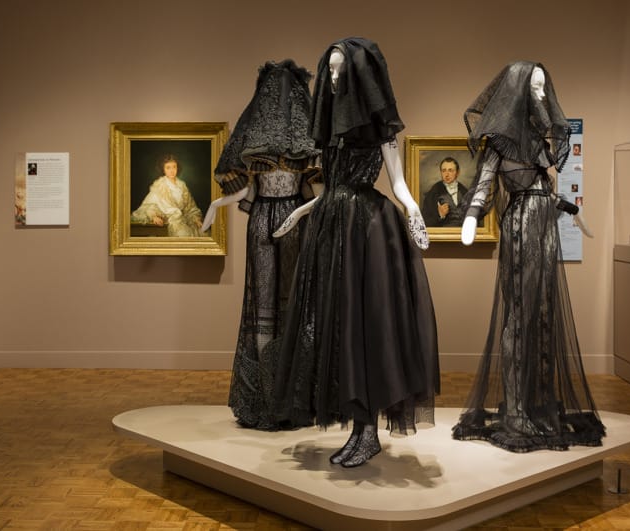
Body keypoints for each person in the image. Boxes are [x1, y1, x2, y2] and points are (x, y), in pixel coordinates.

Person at [269, 38, 440, 468]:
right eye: (328, 69)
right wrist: (301, 213)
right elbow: (332, 189)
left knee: (368, 326)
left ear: (359, 74)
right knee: (337, 326)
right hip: (330, 227)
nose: (332, 77)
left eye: (339, 69)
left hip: (368, 228)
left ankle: (368, 433)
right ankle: (358, 430)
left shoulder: (379, 128)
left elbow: (397, 183)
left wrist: (414, 212)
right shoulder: (329, 130)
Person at [453, 61, 605, 452]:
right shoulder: (500, 142)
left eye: (543, 88)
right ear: (519, 91)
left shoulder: (539, 142)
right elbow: (485, 185)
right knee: (519, 316)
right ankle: (517, 409)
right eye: (534, 88)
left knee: (543, 313)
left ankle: (537, 402)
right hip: (521, 226)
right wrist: (470, 218)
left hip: (545, 228)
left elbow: (543, 190)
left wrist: (573, 210)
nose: (541, 95)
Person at [202, 60, 320, 430]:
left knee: (294, 300)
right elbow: (246, 191)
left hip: (294, 220)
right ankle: (266, 396)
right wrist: (215, 205)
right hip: (262, 222)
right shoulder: (255, 149)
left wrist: (302, 216)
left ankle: (293, 393)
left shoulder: (305, 145)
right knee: (261, 304)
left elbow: (317, 192)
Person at [131, 155, 204, 237]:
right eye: (168, 168)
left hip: (184, 220)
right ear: (163, 170)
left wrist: (196, 219)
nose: (172, 171)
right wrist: (154, 216)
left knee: (202, 232)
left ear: (177, 168)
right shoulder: (160, 186)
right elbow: (150, 205)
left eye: (174, 167)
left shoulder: (182, 185)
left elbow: (190, 207)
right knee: (183, 235)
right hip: (170, 222)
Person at [421, 157, 468, 227]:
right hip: (443, 232)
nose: (447, 174)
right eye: (444, 171)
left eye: (450, 170)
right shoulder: (434, 192)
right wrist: (440, 215)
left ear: (457, 173)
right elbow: (424, 221)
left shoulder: (464, 191)